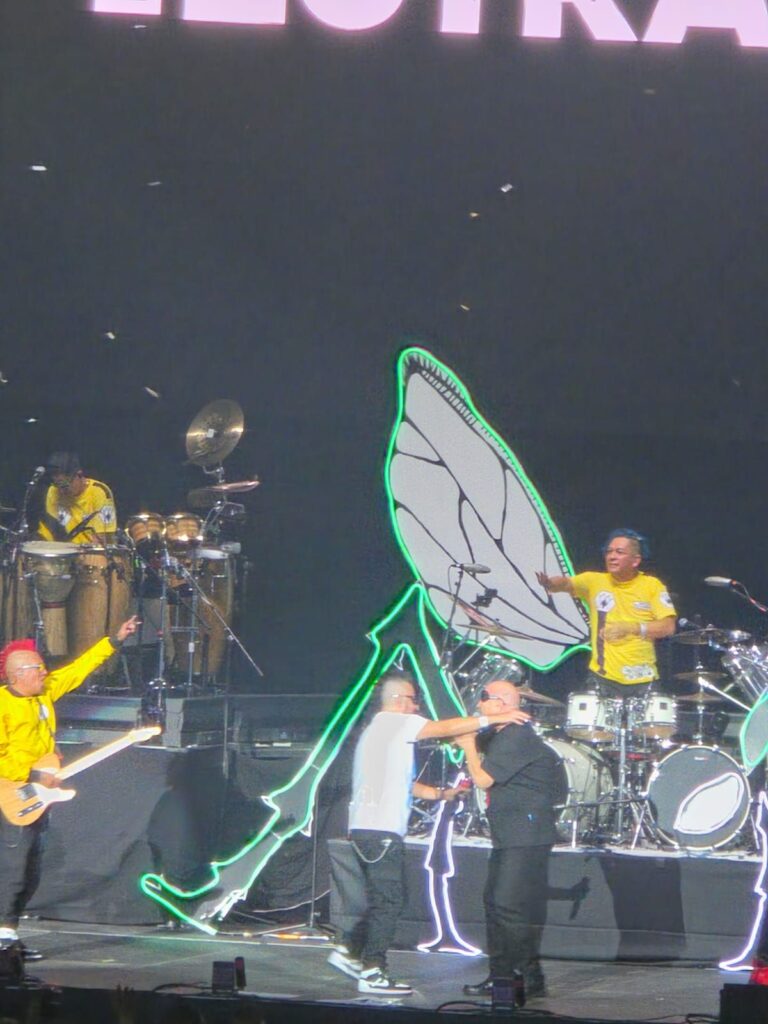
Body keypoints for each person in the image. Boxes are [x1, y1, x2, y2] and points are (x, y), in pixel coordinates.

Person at [328, 672, 530, 996]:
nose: (416, 706)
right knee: (390, 902)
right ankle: (373, 971)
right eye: (413, 700)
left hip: (368, 829)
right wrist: (493, 717)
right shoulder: (395, 722)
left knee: (385, 899)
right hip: (380, 831)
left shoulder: (377, 732)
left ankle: (350, 950)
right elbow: (444, 728)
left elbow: (403, 783)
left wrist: (440, 794)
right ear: (398, 701)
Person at [0, 614, 139, 957]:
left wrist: (114, 641)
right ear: (17, 675)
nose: (44, 672)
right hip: (12, 791)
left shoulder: (44, 693)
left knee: (31, 866)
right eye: (37, 668)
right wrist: (31, 772)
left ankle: (8, 934)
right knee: (15, 866)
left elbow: (78, 669)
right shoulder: (3, 706)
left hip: (38, 791)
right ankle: (4, 939)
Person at [458, 680, 560, 1000]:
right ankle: (501, 977)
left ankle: (528, 977)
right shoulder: (500, 733)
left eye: (484, 698)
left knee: (507, 904)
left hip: (525, 833)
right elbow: (461, 728)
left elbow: (483, 779)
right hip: (508, 832)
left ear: (501, 703)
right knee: (494, 902)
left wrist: (468, 746)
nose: (479, 704)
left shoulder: (516, 736)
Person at [536, 529, 676, 696]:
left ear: (635, 560)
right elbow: (566, 583)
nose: (612, 556)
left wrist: (632, 628)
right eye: (609, 552)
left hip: (643, 678)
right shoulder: (593, 581)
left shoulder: (652, 585)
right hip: (602, 677)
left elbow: (668, 627)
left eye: (619, 552)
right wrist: (550, 583)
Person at [36, 451, 117, 546]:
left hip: (93, 550)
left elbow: (101, 539)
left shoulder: (100, 491)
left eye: (65, 485)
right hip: (66, 549)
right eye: (58, 485)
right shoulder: (54, 491)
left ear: (79, 475)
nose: (61, 491)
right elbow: (50, 531)